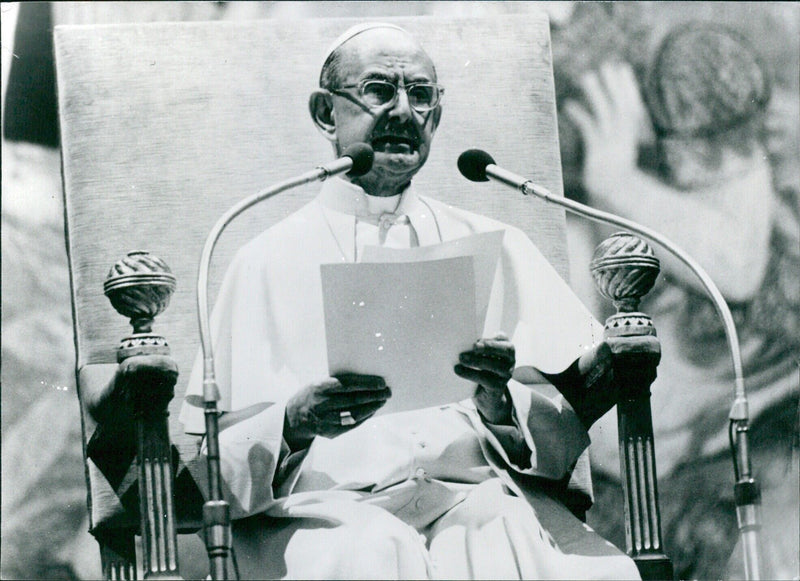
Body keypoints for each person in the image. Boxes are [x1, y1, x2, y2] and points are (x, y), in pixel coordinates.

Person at [87, 22, 641, 580]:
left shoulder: (495, 245)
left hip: (474, 496)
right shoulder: (265, 259)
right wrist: (294, 424)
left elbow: (567, 430)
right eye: (380, 90)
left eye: (421, 95)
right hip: (326, 514)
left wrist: (500, 402)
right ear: (327, 114)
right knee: (371, 550)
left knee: (502, 534)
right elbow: (214, 469)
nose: (404, 111)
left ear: (438, 115)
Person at [563, 23, 799, 580]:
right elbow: (604, 442)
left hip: (761, 467)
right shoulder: (589, 238)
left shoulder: (767, 184)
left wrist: (617, 181)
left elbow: (739, 268)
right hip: (653, 497)